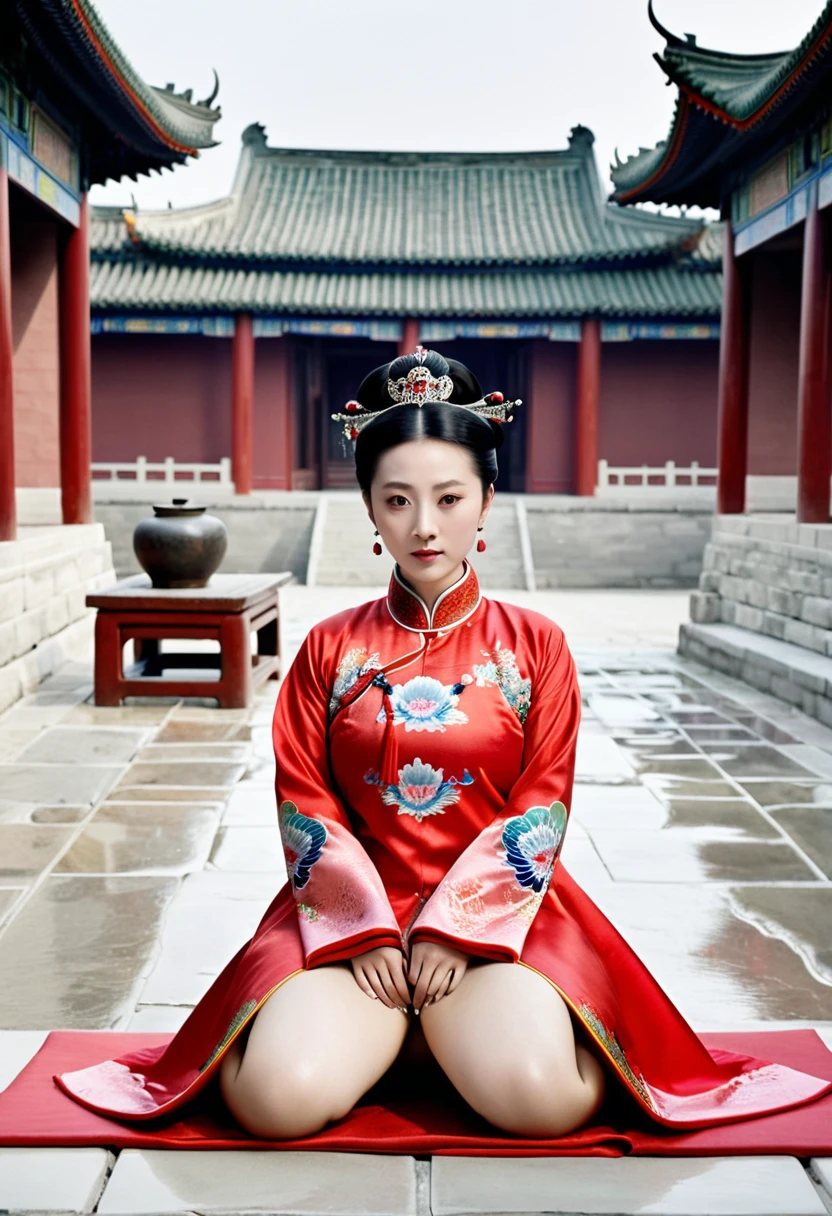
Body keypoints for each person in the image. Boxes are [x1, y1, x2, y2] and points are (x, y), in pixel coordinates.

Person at [55, 348, 830, 1140]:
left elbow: (542, 801)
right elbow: (304, 798)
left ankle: (501, 1037)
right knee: (272, 1102)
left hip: (500, 919)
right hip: (353, 919)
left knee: (543, 1102)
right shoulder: (328, 649)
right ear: (369, 507)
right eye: (397, 500)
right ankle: (408, 1036)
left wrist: (460, 931)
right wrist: (359, 932)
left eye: (449, 496)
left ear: (487, 498)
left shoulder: (538, 647)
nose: (424, 526)